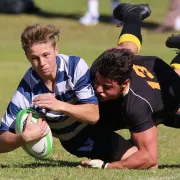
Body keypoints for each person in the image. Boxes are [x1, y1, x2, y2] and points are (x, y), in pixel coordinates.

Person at [80, 3, 180, 169]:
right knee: (126, 52)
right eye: (98, 83)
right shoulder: (100, 68)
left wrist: (107, 166)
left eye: (106, 87)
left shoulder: (137, 104)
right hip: (144, 66)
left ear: (124, 84)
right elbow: (119, 50)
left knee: (176, 85)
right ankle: (133, 15)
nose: (98, 90)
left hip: (168, 87)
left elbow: (150, 159)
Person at [0, 23, 99, 154]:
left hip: (106, 119)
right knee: (131, 157)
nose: (42, 63)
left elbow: (93, 115)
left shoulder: (74, 66)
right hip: (78, 141)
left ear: (56, 50)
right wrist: (23, 137)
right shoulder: (27, 89)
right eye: (35, 58)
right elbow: (1, 139)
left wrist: (59, 105)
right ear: (27, 57)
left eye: (46, 55)